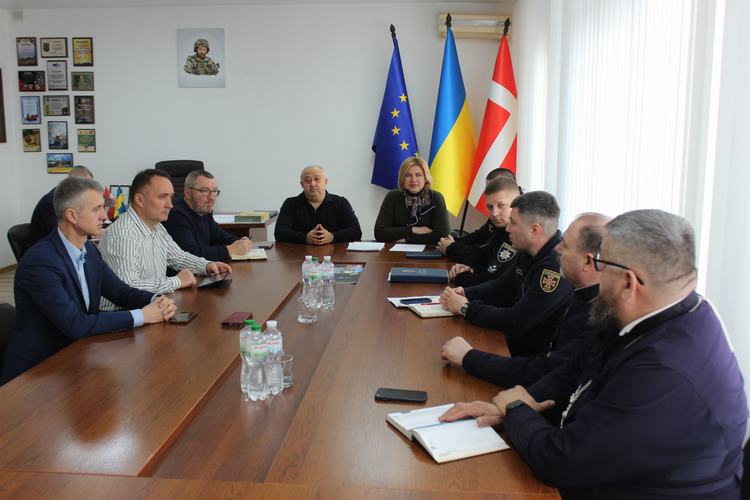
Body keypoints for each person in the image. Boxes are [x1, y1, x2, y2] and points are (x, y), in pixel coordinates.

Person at [441, 210, 747, 499]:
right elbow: (576, 366)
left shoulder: (665, 371)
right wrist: (520, 403)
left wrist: (516, 410)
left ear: (628, 282)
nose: (595, 272)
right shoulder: (654, 309)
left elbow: (561, 462)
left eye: (602, 262)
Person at [1, 177, 177, 384]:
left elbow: (120, 292)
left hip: (77, 355)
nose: (105, 215)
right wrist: (143, 315)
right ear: (72, 215)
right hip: (37, 372)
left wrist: (156, 300)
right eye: (97, 209)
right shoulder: (40, 262)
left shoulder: (89, 251)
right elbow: (75, 323)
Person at [441, 213, 609, 423]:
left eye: (565, 245)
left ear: (588, 261)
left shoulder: (600, 316)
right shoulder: (581, 295)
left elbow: (545, 369)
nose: (558, 248)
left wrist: (469, 357)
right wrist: (510, 408)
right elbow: (557, 373)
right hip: (535, 397)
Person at [440, 191, 573, 356]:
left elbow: (516, 320)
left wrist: (465, 307)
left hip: (530, 357)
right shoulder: (529, 250)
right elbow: (502, 286)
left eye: (513, 223)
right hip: (512, 343)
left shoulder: (553, 268)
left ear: (534, 230)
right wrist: (465, 293)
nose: (508, 228)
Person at [99, 169, 231, 308]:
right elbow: (128, 287)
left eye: (171, 197)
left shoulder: (156, 226)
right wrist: (176, 281)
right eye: (162, 197)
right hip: (121, 314)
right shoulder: (123, 235)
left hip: (151, 306)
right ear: (140, 200)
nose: (170, 205)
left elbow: (178, 257)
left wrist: (206, 266)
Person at [438, 176, 520, 287]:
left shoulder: (517, 236)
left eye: (501, 206)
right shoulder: (499, 228)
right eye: (490, 207)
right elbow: (482, 253)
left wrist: (459, 275)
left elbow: (488, 281)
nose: (494, 213)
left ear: (516, 204)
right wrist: (466, 266)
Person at [163, 170, 251, 261]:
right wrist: (228, 250)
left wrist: (240, 242)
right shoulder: (176, 215)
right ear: (188, 193)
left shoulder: (204, 211)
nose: (211, 197)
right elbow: (190, 254)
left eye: (214, 191)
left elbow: (219, 236)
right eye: (205, 191)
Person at [274, 165, 362, 245]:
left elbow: (356, 231)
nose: (312, 184)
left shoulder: (341, 202)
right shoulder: (290, 204)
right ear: (302, 184)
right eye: (307, 180)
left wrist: (332, 237)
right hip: (299, 254)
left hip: (335, 254)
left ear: (325, 182)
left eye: (317, 179)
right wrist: (304, 238)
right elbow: (279, 232)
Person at [374, 156, 450, 244]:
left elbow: (443, 235)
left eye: (418, 175)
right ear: (402, 178)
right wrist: (413, 229)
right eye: (408, 175)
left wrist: (407, 240)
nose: (413, 180)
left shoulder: (436, 197)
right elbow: (380, 233)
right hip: (397, 251)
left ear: (425, 178)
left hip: (429, 250)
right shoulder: (393, 196)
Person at [28, 165, 94, 247]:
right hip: (44, 249)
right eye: (87, 186)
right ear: (72, 183)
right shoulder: (51, 202)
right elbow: (62, 235)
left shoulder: (71, 198)